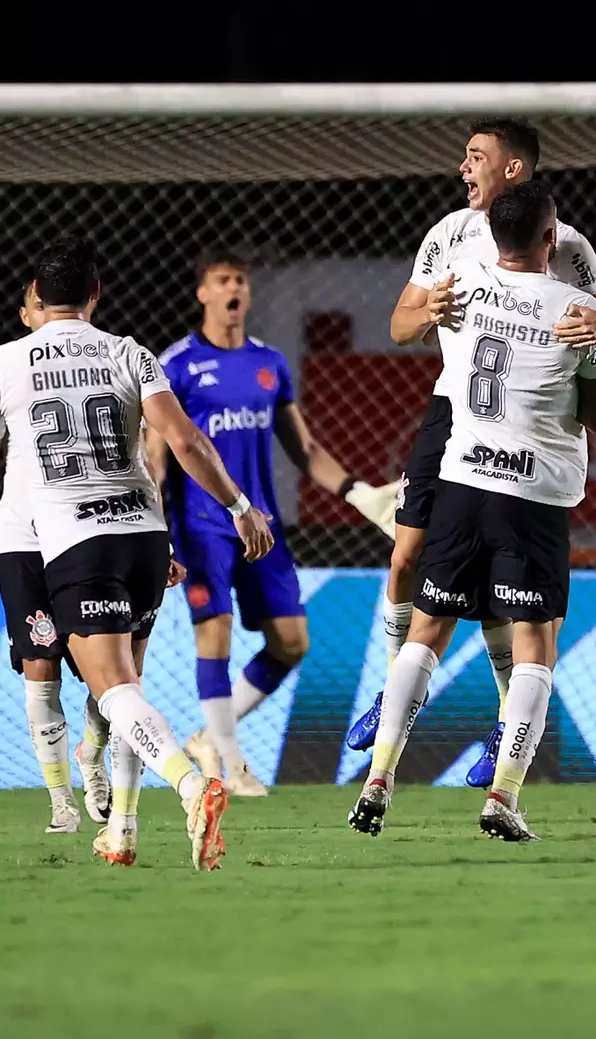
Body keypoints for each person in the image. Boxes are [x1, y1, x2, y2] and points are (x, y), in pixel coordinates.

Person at [346, 117, 596, 793]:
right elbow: (400, 322)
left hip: (533, 428)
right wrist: (429, 314)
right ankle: (396, 694)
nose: (462, 167)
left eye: (475, 156)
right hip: (455, 411)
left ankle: (508, 721)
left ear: (513, 170)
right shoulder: (446, 235)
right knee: (406, 557)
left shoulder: (568, 246)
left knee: (509, 597)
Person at [0, 237, 274, 869]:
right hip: (147, 541)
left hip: (79, 541)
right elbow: (181, 437)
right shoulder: (130, 353)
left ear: (35, 300)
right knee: (133, 685)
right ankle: (120, 830)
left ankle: (188, 783)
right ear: (96, 295)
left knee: (115, 691)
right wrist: (239, 507)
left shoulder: (12, 362)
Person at [145, 245, 396, 796]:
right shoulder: (176, 365)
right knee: (215, 634)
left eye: (240, 280)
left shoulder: (269, 364)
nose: (233, 289)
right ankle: (230, 766)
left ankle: (210, 740)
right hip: (202, 524)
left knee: (292, 642)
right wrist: (161, 530)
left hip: (261, 526)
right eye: (221, 279)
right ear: (202, 292)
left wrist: (359, 492)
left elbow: (305, 449)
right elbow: (157, 455)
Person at [0, 280, 188, 845]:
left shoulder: (23, 364)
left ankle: (94, 759)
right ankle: (63, 802)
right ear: (26, 313)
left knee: (112, 681)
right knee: (41, 669)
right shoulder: (34, 370)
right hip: (25, 538)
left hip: (85, 531)